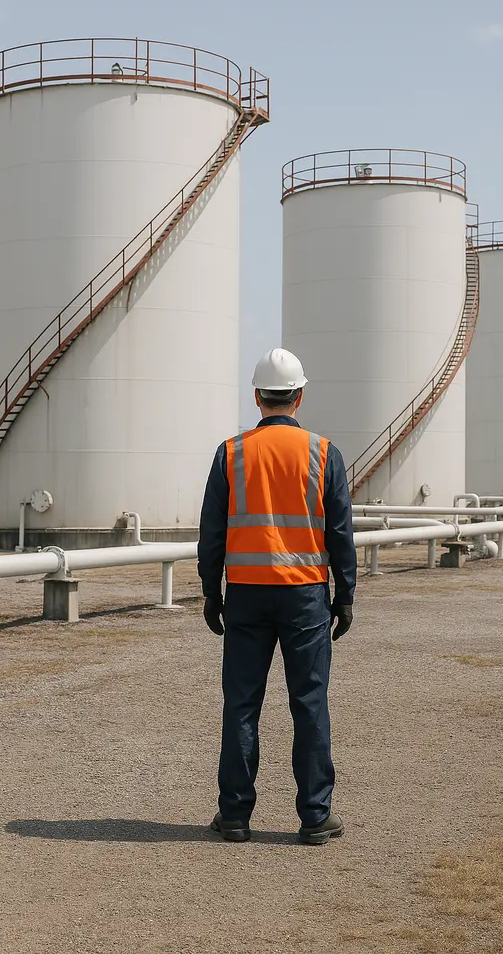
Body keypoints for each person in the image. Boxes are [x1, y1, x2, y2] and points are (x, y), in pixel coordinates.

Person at [198, 348, 356, 845]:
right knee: (309, 702)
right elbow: (340, 533)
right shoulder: (323, 452)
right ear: (299, 395)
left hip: (245, 595)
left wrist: (210, 592)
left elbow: (212, 534)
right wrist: (346, 594)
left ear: (257, 396)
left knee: (241, 704)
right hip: (305, 596)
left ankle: (236, 816)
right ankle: (314, 816)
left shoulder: (231, 453)